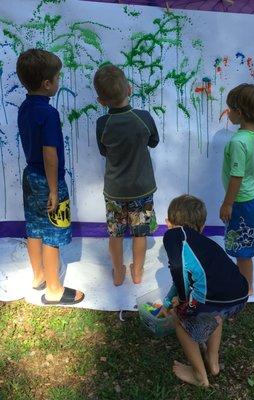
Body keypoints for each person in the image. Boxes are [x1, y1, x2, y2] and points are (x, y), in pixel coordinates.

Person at [16, 49, 84, 305]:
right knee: (52, 234)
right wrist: (55, 190)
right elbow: (50, 156)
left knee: (34, 227)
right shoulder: (49, 114)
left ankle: (38, 277)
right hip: (48, 180)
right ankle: (54, 290)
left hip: (30, 177)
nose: (58, 82)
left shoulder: (25, 107)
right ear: (47, 84)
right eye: (57, 78)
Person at [162, 195, 248, 387]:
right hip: (239, 296)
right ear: (201, 227)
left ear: (169, 223)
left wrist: (182, 301)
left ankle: (200, 376)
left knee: (180, 320)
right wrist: (168, 301)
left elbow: (177, 269)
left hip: (213, 300)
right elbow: (184, 274)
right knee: (216, 315)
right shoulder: (204, 244)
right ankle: (212, 360)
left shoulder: (174, 234)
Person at [93, 65, 159, 286]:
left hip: (115, 192)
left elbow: (104, 151)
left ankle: (118, 272)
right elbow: (154, 142)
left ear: (101, 101)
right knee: (140, 233)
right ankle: (138, 272)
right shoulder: (143, 118)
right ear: (129, 89)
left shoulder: (102, 124)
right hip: (142, 189)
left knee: (116, 234)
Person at [220, 84, 254, 294]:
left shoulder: (238, 142)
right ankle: (244, 276)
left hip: (241, 202)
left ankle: (246, 287)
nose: (228, 113)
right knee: (246, 240)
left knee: (243, 250)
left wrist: (227, 203)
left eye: (230, 109)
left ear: (239, 113)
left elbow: (236, 177)